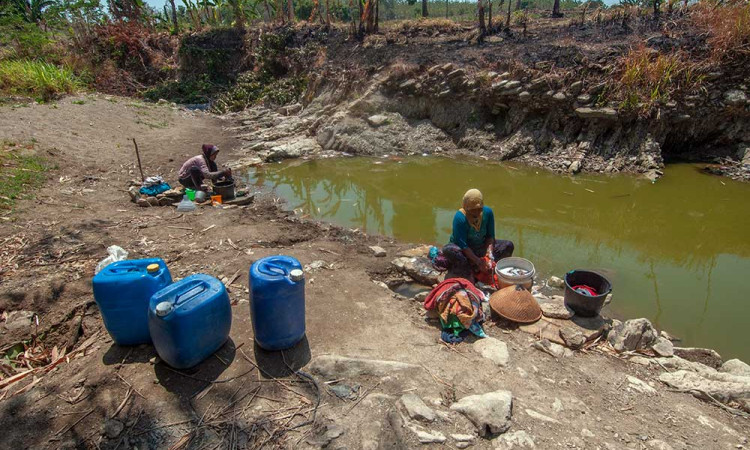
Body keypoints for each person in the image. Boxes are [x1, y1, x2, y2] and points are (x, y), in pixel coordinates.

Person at [441, 188, 514, 281]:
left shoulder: (488, 213)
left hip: (480, 247)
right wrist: (479, 262)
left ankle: (489, 269)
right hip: (464, 250)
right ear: (466, 207)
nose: (476, 213)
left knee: (508, 245)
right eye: (473, 210)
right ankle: (468, 272)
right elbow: (463, 245)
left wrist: (489, 255)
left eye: (479, 209)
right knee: (449, 250)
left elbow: (490, 237)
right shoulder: (460, 217)